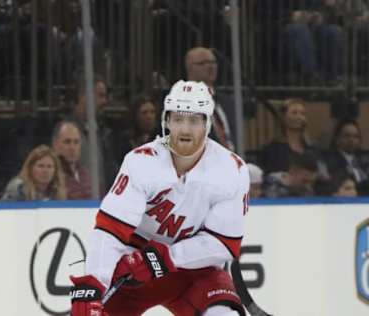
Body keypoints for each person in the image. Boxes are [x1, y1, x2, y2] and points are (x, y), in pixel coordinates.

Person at [70, 80, 248, 316]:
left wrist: (167, 257)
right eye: (178, 119)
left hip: (193, 272)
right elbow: (110, 230)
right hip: (133, 269)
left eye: (194, 120)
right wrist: (93, 284)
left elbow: (224, 243)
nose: (185, 129)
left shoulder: (231, 170)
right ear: (166, 121)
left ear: (206, 124)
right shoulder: (142, 162)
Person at [185, 47, 235, 150]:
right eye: (203, 63)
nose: (210, 66)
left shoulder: (227, 101)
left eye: (213, 62)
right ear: (189, 68)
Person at [260, 98, 320, 173]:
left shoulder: (312, 149)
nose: (299, 117)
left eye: (303, 114)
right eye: (294, 113)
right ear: (283, 117)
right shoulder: (272, 149)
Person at [51, 120, 91, 200]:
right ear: (55, 145)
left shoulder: (86, 174)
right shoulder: (51, 175)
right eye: (67, 142)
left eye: (76, 142)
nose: (72, 148)